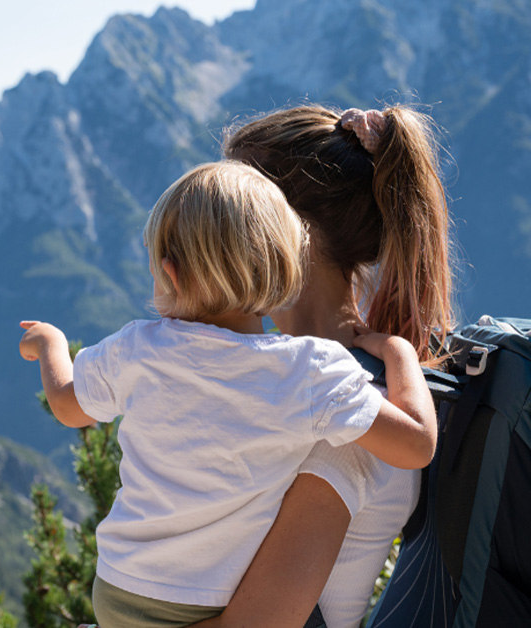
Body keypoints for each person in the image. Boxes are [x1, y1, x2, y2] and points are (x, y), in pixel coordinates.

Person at [18, 160, 437, 628]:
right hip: (203, 607)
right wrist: (399, 352)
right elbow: (417, 444)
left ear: (171, 274)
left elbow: (67, 405)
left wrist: (51, 343)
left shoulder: (138, 348)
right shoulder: (309, 372)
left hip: (116, 591)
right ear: (283, 269)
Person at [191, 105, 457, 628]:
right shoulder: (308, 383)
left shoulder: (349, 416)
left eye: (234, 211)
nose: (218, 236)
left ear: (292, 231)